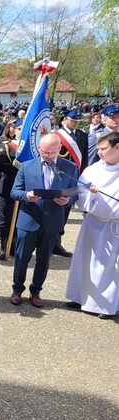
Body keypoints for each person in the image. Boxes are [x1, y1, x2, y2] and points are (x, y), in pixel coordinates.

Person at [10, 134, 79, 308]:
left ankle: (36, 291)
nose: (48, 155)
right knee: (22, 257)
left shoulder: (69, 167)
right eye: (45, 152)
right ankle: (17, 289)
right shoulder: (26, 166)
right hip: (29, 218)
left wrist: (67, 201)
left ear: (60, 149)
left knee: (44, 259)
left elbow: (75, 192)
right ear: (39, 149)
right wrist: (26, 196)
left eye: (52, 152)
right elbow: (14, 191)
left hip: (52, 220)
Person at [65, 131, 119, 319]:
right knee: (85, 262)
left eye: (104, 149)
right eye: (98, 149)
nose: (100, 153)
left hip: (115, 228)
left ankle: (106, 305)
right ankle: (80, 297)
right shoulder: (93, 170)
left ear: (117, 147)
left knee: (110, 267)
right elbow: (80, 196)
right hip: (93, 223)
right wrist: (92, 195)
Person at [53, 108, 90, 257]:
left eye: (77, 120)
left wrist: (83, 177)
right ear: (64, 120)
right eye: (72, 119)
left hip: (73, 179)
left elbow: (84, 158)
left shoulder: (82, 135)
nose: (75, 122)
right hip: (57, 178)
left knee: (65, 209)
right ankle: (48, 241)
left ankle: (57, 242)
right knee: (53, 208)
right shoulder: (55, 135)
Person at [0, 119, 22, 260]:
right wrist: (20, 168)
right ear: (14, 130)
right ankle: (3, 246)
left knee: (20, 217)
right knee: (6, 216)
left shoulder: (33, 147)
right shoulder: (6, 144)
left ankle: (15, 245)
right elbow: (1, 164)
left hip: (25, 186)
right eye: (19, 128)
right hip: (8, 184)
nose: (22, 131)